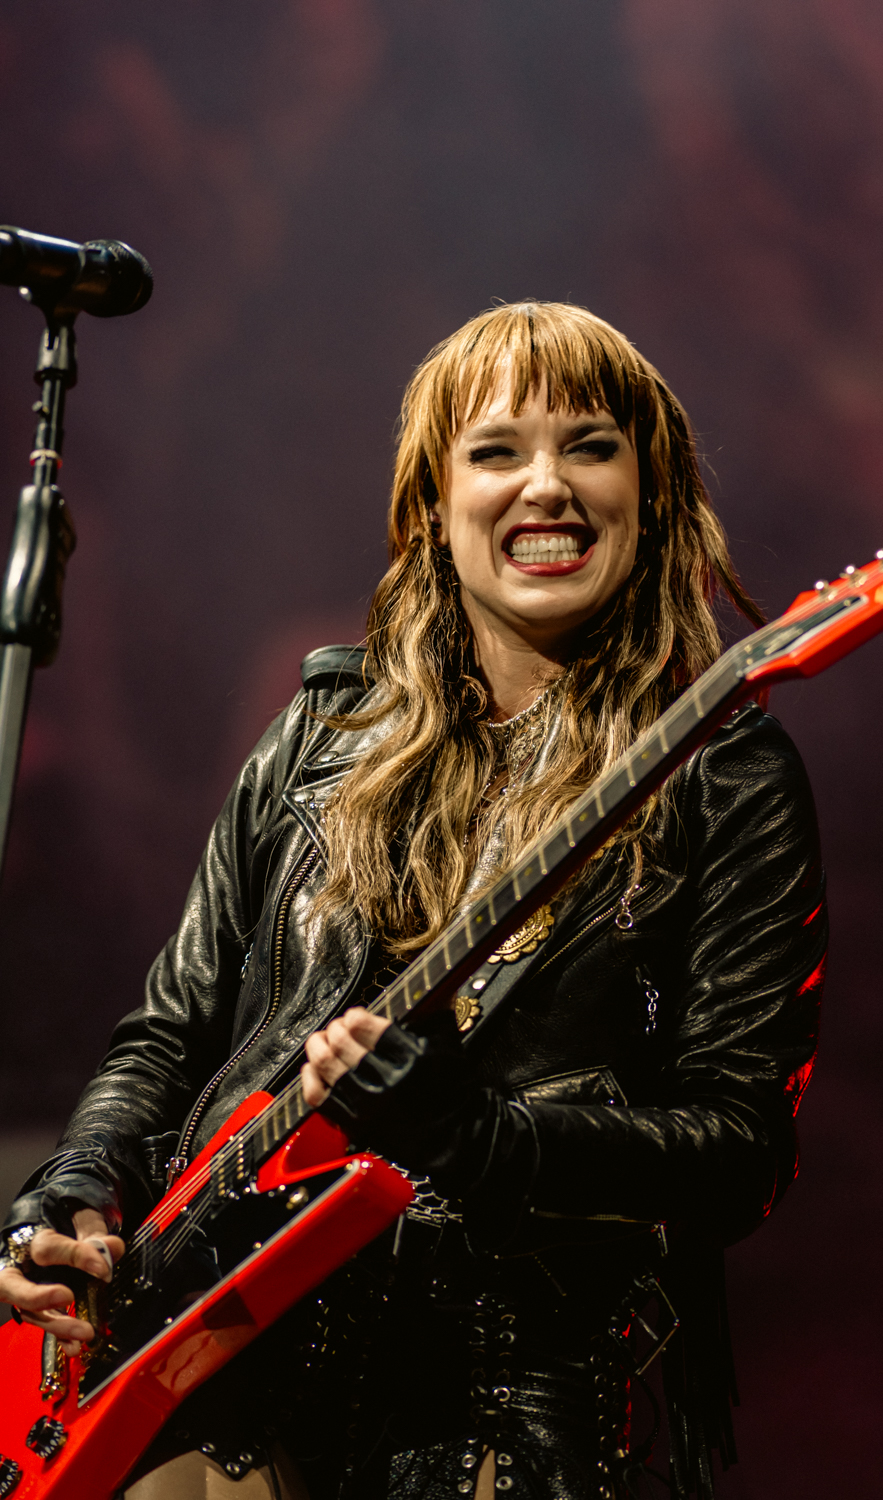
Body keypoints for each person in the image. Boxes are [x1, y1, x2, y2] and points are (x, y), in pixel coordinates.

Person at [0, 301, 826, 1500]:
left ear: (651, 497)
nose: (544, 485)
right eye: (495, 451)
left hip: (502, 1411)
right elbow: (170, 1035)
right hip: (216, 1383)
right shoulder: (316, 738)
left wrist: (476, 1139)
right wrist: (76, 1187)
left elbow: (737, 1151)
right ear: (433, 507)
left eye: (589, 447)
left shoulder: (724, 772)